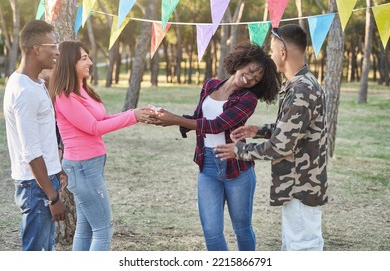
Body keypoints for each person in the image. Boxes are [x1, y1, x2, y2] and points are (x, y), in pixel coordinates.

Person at [148, 42, 281, 251]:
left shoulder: (248, 99)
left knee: (242, 229)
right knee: (211, 231)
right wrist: (168, 117)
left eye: (256, 79)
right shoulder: (210, 85)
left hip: (236, 166)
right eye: (252, 70)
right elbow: (199, 119)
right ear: (242, 61)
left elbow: (217, 125)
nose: (251, 77)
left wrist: (175, 120)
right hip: (208, 166)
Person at [215, 24, 328, 251]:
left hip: (301, 184)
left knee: (302, 247)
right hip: (299, 182)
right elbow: (295, 129)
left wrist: (239, 151)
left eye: (273, 50)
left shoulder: (301, 90)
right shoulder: (301, 84)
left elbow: (281, 146)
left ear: (283, 53)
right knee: (294, 245)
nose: (271, 55)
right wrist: (259, 130)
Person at [48, 40, 150, 251]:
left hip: (91, 165)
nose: (91, 62)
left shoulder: (82, 90)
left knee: (85, 228)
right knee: (104, 229)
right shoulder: (65, 96)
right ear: (70, 62)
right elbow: (94, 127)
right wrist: (132, 116)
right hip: (82, 167)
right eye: (84, 58)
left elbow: (103, 118)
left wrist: (136, 114)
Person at [3, 20, 67, 251]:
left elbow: (42, 136)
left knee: (44, 250)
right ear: (36, 49)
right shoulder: (25, 91)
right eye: (53, 45)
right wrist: (53, 197)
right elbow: (30, 151)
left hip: (42, 180)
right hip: (36, 186)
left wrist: (56, 169)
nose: (57, 50)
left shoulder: (32, 83)